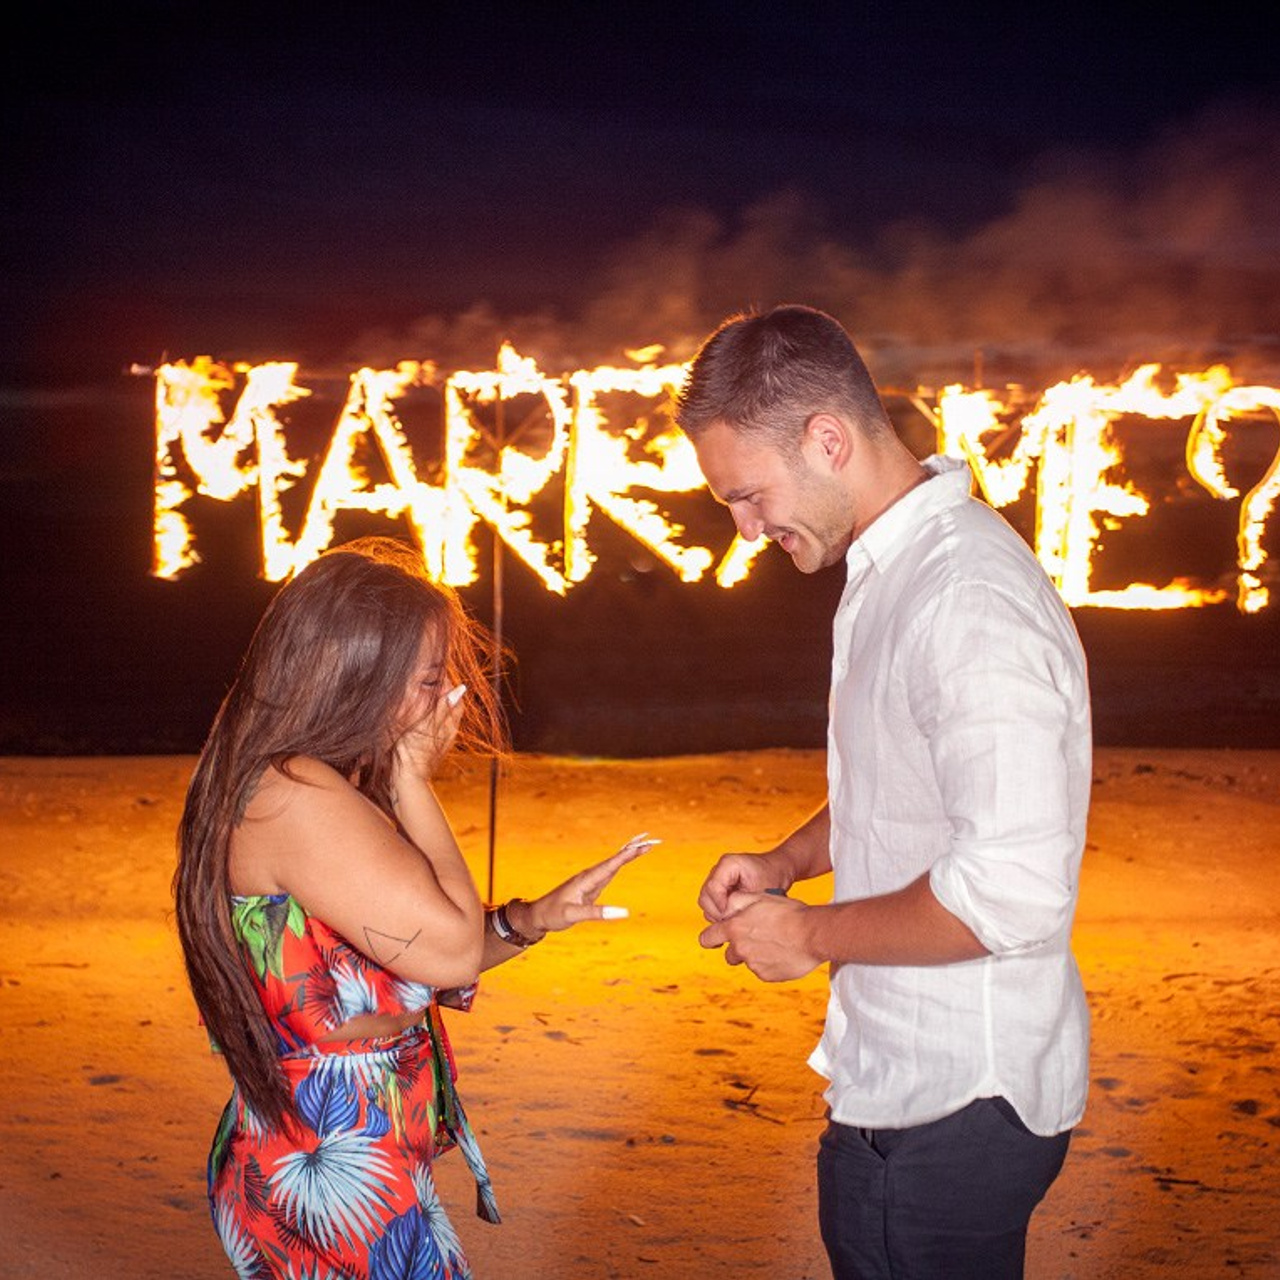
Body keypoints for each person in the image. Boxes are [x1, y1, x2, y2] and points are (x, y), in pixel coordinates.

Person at [675, 305, 1091, 1279]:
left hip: (952, 1096)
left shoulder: (963, 598)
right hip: (902, 1078)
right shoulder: (892, 570)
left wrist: (805, 932)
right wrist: (785, 860)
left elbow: (1009, 892)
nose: (741, 529)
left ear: (826, 438)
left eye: (746, 494)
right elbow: (897, 784)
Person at [173, 534, 652, 1279]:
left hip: (338, 1141)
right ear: (358, 674)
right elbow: (451, 952)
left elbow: (415, 951)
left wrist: (527, 921)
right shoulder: (297, 799)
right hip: (333, 1156)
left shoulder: (292, 780)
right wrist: (411, 781)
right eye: (430, 680)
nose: (447, 699)